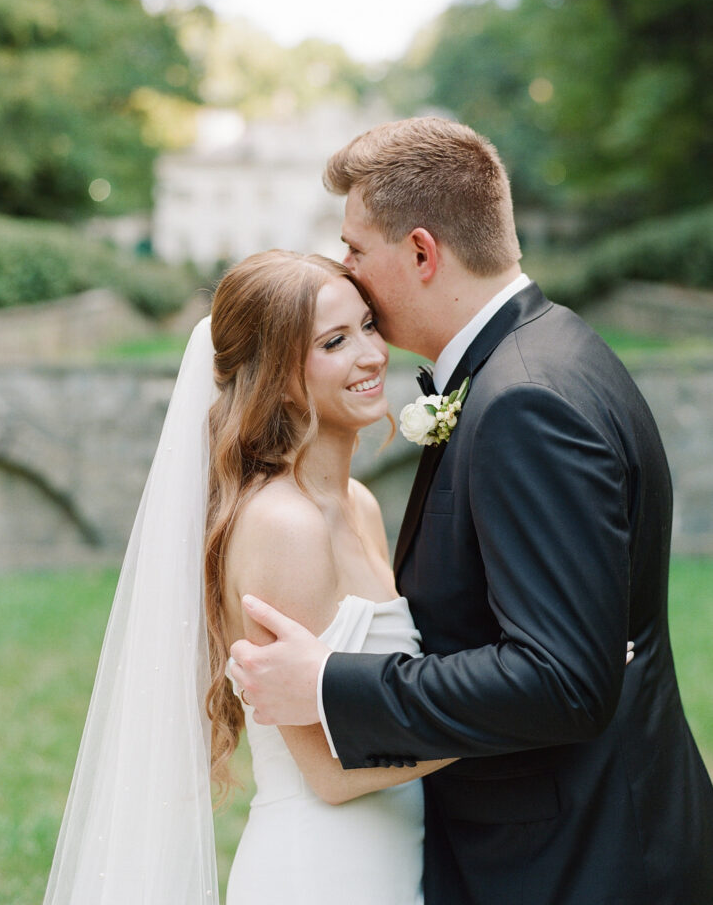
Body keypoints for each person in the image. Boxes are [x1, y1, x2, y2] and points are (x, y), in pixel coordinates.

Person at [230, 117, 713, 905]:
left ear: (421, 252)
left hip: (577, 863)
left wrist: (328, 683)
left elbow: (562, 681)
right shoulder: (552, 352)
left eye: (355, 248)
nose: (347, 269)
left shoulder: (524, 399)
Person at [44, 249, 456, 905]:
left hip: (396, 857)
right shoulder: (283, 527)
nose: (373, 354)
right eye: (335, 341)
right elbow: (328, 771)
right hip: (324, 872)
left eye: (369, 326)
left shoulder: (359, 505)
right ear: (279, 376)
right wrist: (511, 720)